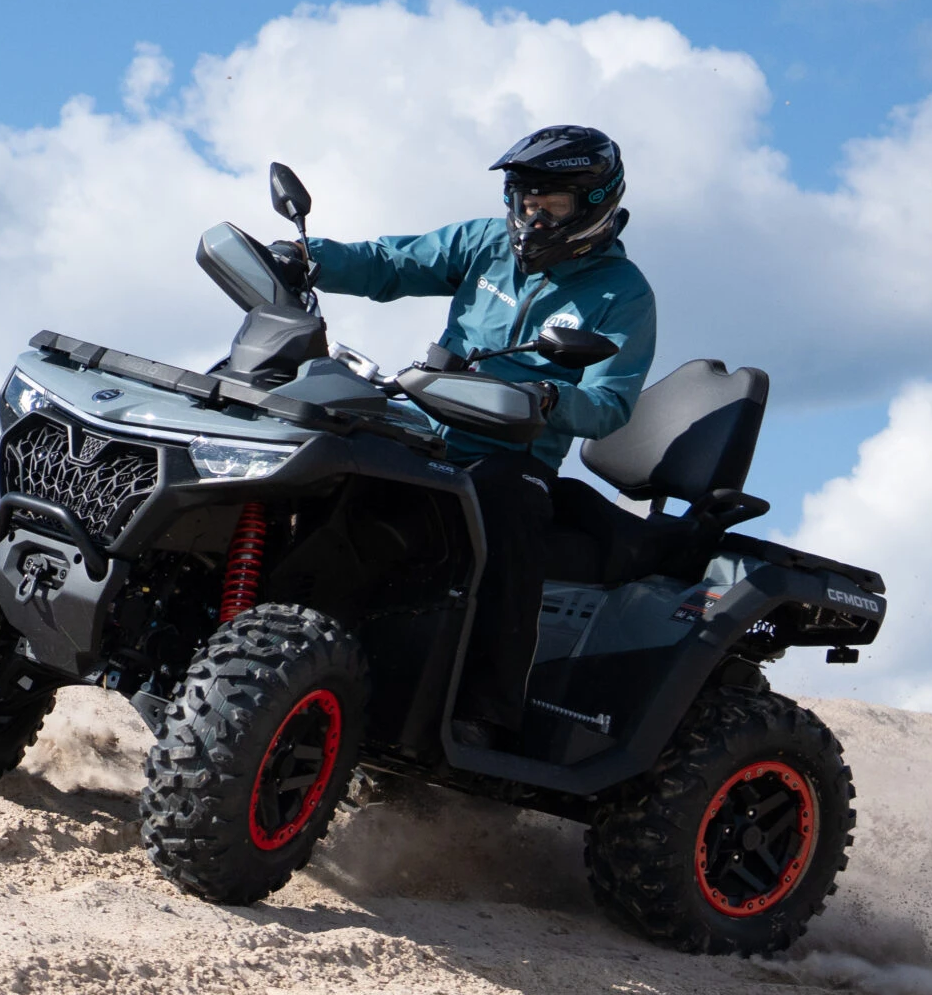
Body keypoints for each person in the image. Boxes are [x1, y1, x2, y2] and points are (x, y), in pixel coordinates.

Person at [269, 126, 657, 749]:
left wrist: (547, 398)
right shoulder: (484, 242)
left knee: (504, 505)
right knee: (323, 443)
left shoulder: (623, 294)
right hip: (423, 425)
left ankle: (485, 714)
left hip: (513, 455)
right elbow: (391, 263)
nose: (534, 216)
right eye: (526, 200)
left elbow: (610, 404)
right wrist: (306, 257)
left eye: (552, 204)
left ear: (595, 203)